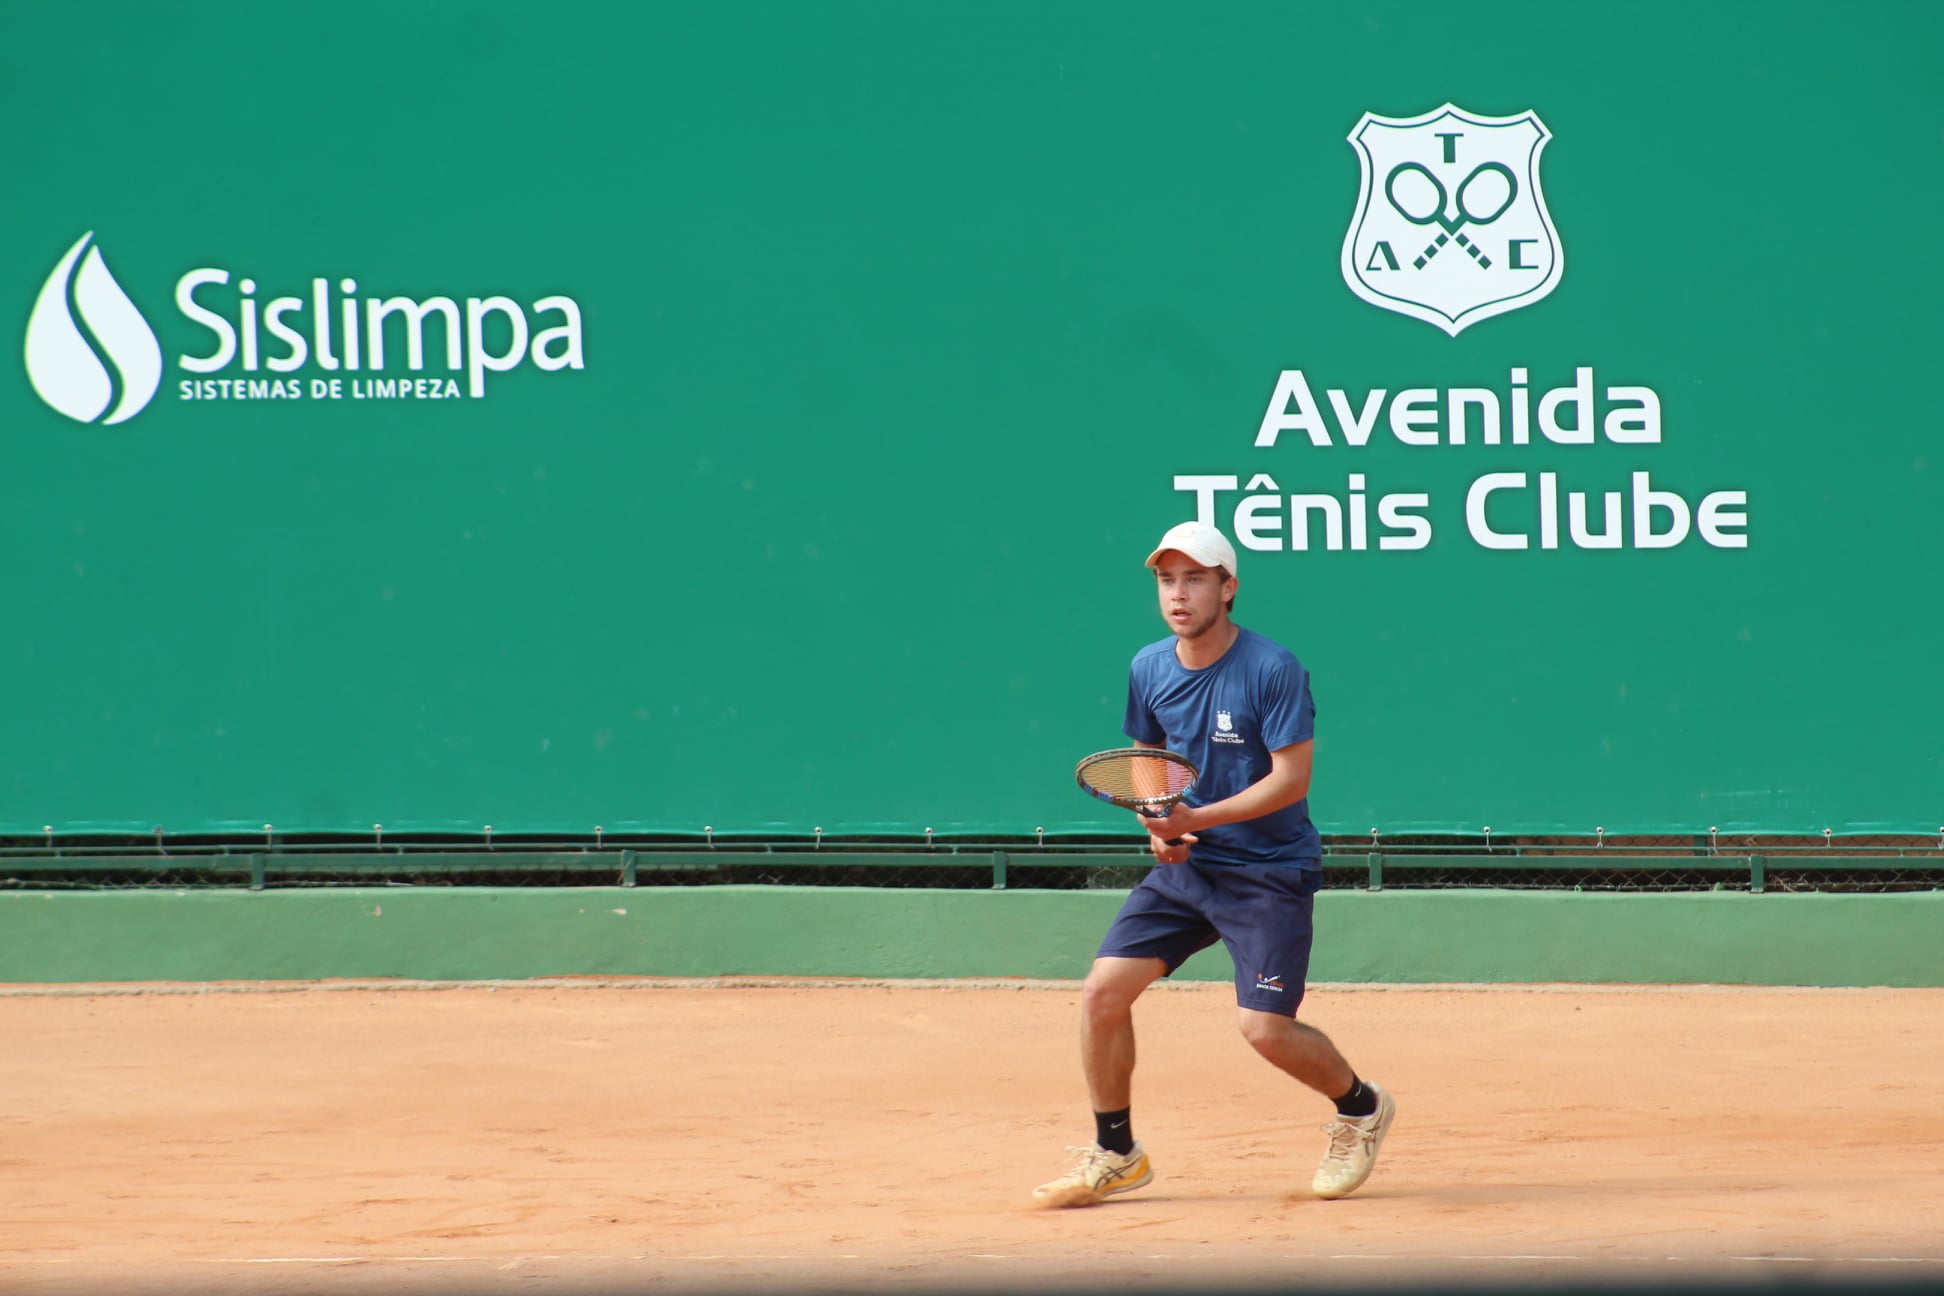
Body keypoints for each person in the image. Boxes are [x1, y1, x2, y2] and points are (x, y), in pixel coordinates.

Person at [1033, 520, 1395, 1208]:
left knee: (1264, 1029)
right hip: (1189, 869)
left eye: (1195, 579)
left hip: (1268, 869)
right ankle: (1117, 1152)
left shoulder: (1272, 668)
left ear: (1228, 588)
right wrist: (1158, 825)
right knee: (1102, 994)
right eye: (1167, 580)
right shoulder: (1149, 667)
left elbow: (1291, 780)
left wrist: (1194, 818)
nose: (1178, 593)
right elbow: (1148, 757)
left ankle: (1361, 1107)